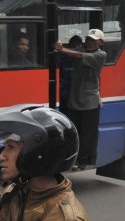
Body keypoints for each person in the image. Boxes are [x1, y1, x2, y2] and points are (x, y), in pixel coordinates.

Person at [54, 29, 106, 170]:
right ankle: (71, 158)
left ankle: (81, 161)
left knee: (86, 134)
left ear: (101, 42)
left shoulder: (100, 55)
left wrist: (63, 49)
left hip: (90, 102)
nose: (90, 43)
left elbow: (77, 55)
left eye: (93, 40)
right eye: (88, 40)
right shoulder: (81, 51)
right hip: (74, 100)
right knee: (73, 132)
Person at [59, 35, 83, 118]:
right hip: (66, 91)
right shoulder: (63, 60)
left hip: (79, 92)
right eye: (74, 45)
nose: (76, 47)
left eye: (79, 45)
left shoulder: (83, 59)